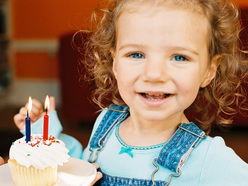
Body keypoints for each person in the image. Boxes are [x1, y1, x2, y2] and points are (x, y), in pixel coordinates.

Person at [14, 0, 248, 185]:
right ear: (114, 62)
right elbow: (79, 168)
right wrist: (44, 132)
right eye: (136, 54)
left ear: (209, 70)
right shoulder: (105, 125)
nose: (154, 74)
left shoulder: (210, 158)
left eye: (179, 57)